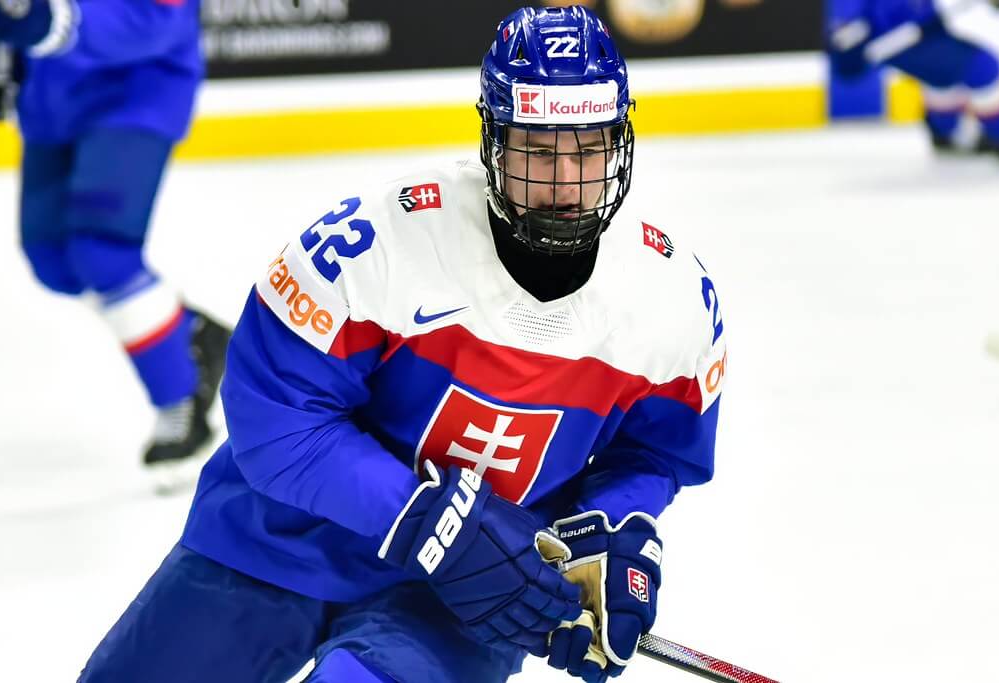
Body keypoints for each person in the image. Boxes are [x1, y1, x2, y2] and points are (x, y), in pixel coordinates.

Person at [77, 5, 727, 683]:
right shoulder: (377, 244)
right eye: (538, 151)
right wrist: (422, 518)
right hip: (281, 538)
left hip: (464, 597)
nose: (566, 183)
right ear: (494, 141)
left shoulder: (674, 301)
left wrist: (610, 532)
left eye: (588, 150)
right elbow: (275, 420)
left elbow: (652, 454)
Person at [0, 0, 230, 480]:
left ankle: (179, 399)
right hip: (53, 99)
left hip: (136, 93)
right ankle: (187, 331)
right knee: (52, 259)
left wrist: (52, 21)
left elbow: (157, 19)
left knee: (101, 254)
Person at [827, 0, 999, 161]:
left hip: (920, 29)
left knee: (944, 71)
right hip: (896, 34)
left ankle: (947, 131)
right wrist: (850, 38)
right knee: (981, 66)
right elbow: (845, 33)